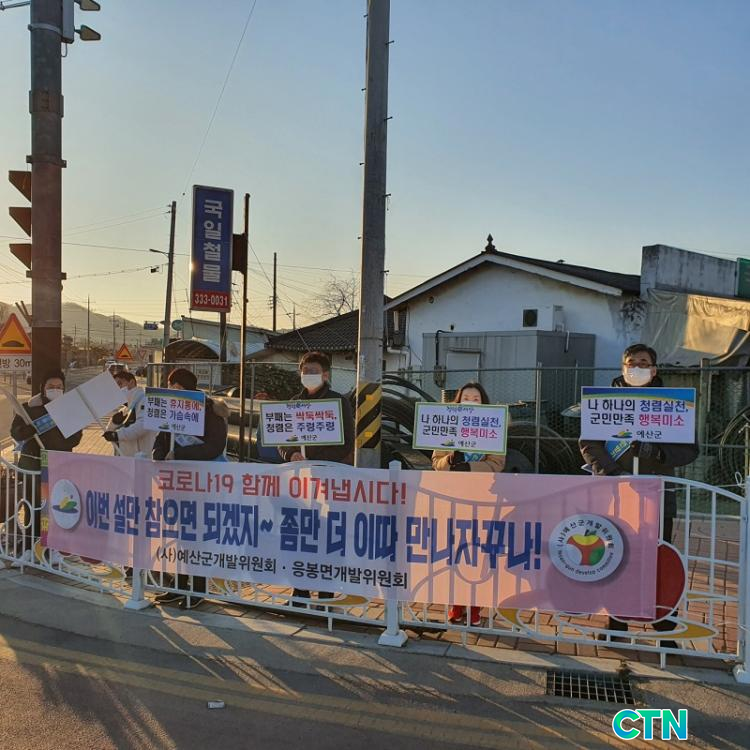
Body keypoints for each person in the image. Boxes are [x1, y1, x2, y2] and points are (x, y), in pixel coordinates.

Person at [579, 343, 699, 644]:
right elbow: (589, 444)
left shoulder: (674, 405)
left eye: (643, 363)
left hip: (658, 494)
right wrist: (612, 474)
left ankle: (663, 623)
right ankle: (617, 621)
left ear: (654, 370)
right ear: (622, 368)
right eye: (631, 362)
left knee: (659, 558)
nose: (637, 367)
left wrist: (657, 452)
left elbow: (689, 449)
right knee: (616, 556)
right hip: (617, 495)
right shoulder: (603, 403)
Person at [278, 351, 355, 605]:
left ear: (325, 375)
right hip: (300, 482)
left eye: (313, 371)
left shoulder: (338, 402)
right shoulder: (293, 403)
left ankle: (325, 596)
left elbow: (347, 442)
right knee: (301, 536)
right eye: (304, 370)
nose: (308, 375)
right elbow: (282, 438)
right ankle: (300, 593)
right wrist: (289, 453)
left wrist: (316, 460)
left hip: (330, 480)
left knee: (328, 537)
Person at [152, 368, 229, 609]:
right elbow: (162, 438)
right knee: (180, 536)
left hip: (201, 482)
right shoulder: (171, 407)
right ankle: (178, 585)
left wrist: (181, 454)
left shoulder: (210, 411)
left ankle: (197, 589)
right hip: (177, 482)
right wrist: (159, 453)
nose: (173, 390)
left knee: (197, 537)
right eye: (170, 386)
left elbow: (215, 447)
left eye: (177, 386)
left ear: (188, 388)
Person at [432, 382, 506, 626]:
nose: (471, 402)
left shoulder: (494, 428)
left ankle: (475, 607)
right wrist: (450, 460)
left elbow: (497, 464)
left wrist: (469, 467)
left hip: (482, 497)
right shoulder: (446, 427)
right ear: (457, 401)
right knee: (453, 552)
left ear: (484, 403)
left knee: (479, 553)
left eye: (476, 399)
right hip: (452, 498)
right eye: (466, 398)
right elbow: (436, 463)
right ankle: (455, 604)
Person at [10, 370, 83, 559]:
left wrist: (52, 440)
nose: (55, 390)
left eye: (59, 387)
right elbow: (15, 432)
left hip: (58, 465)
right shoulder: (28, 408)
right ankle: (29, 548)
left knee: (55, 508)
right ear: (42, 388)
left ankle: (54, 549)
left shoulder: (70, 410)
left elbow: (75, 438)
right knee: (33, 507)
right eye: (51, 386)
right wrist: (27, 431)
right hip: (32, 466)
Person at [102, 370, 158, 457]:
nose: (118, 389)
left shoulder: (146, 402)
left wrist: (117, 435)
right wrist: (114, 423)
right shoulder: (125, 409)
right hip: (126, 459)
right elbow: (109, 434)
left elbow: (142, 426)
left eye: (120, 384)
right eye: (114, 388)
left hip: (143, 458)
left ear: (131, 382)